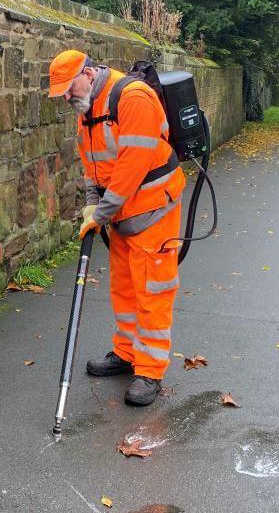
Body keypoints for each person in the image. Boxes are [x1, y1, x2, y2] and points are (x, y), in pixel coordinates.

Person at [47, 49, 185, 406]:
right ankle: (126, 353)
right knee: (124, 287)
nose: (66, 96)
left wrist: (101, 213)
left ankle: (150, 370)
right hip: (122, 215)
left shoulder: (134, 98)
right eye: (60, 91)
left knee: (152, 289)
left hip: (153, 208)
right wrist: (93, 202)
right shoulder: (87, 110)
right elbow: (92, 164)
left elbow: (131, 168)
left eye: (69, 87)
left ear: (88, 74)